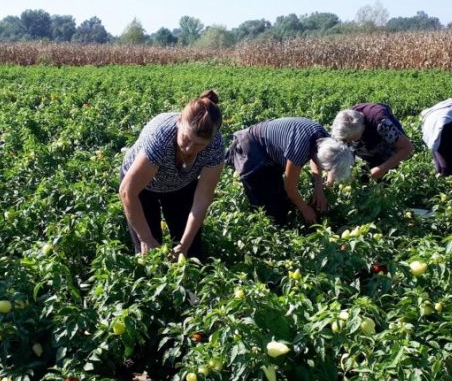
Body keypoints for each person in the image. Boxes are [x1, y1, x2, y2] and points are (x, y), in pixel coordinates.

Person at [119, 90, 224, 260]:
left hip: (181, 184)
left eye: (199, 145)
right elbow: (127, 191)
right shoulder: (161, 137)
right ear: (179, 121)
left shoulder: (215, 146)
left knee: (191, 252)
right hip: (143, 187)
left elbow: (202, 199)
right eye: (186, 139)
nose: (189, 148)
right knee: (149, 254)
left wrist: (185, 245)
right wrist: (145, 238)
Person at [226, 117, 354, 225]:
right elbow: (290, 187)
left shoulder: (326, 141)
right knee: (267, 208)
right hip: (251, 148)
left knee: (282, 200)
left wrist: (319, 189)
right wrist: (305, 209)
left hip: (271, 152)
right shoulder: (300, 149)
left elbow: (316, 159)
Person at [331, 103, 414, 181]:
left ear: (362, 128)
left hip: (385, 141)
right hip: (366, 138)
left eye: (352, 138)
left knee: (392, 160)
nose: (349, 141)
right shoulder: (343, 123)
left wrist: (381, 169)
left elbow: (407, 148)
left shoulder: (381, 123)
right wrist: (332, 173)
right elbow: (336, 151)